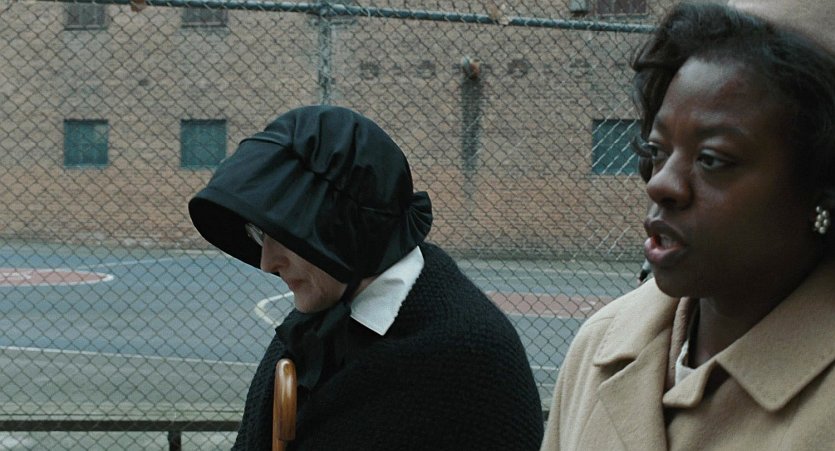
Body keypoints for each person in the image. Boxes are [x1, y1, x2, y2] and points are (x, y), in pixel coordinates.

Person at [542, 1, 835, 449]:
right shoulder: (601, 345)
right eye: (657, 149)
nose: (660, 183)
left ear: (821, 185)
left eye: (712, 159)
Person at [188, 105, 544, 450]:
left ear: (344, 227)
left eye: (282, 233)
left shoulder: (470, 358)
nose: (267, 262)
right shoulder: (318, 318)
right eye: (259, 233)